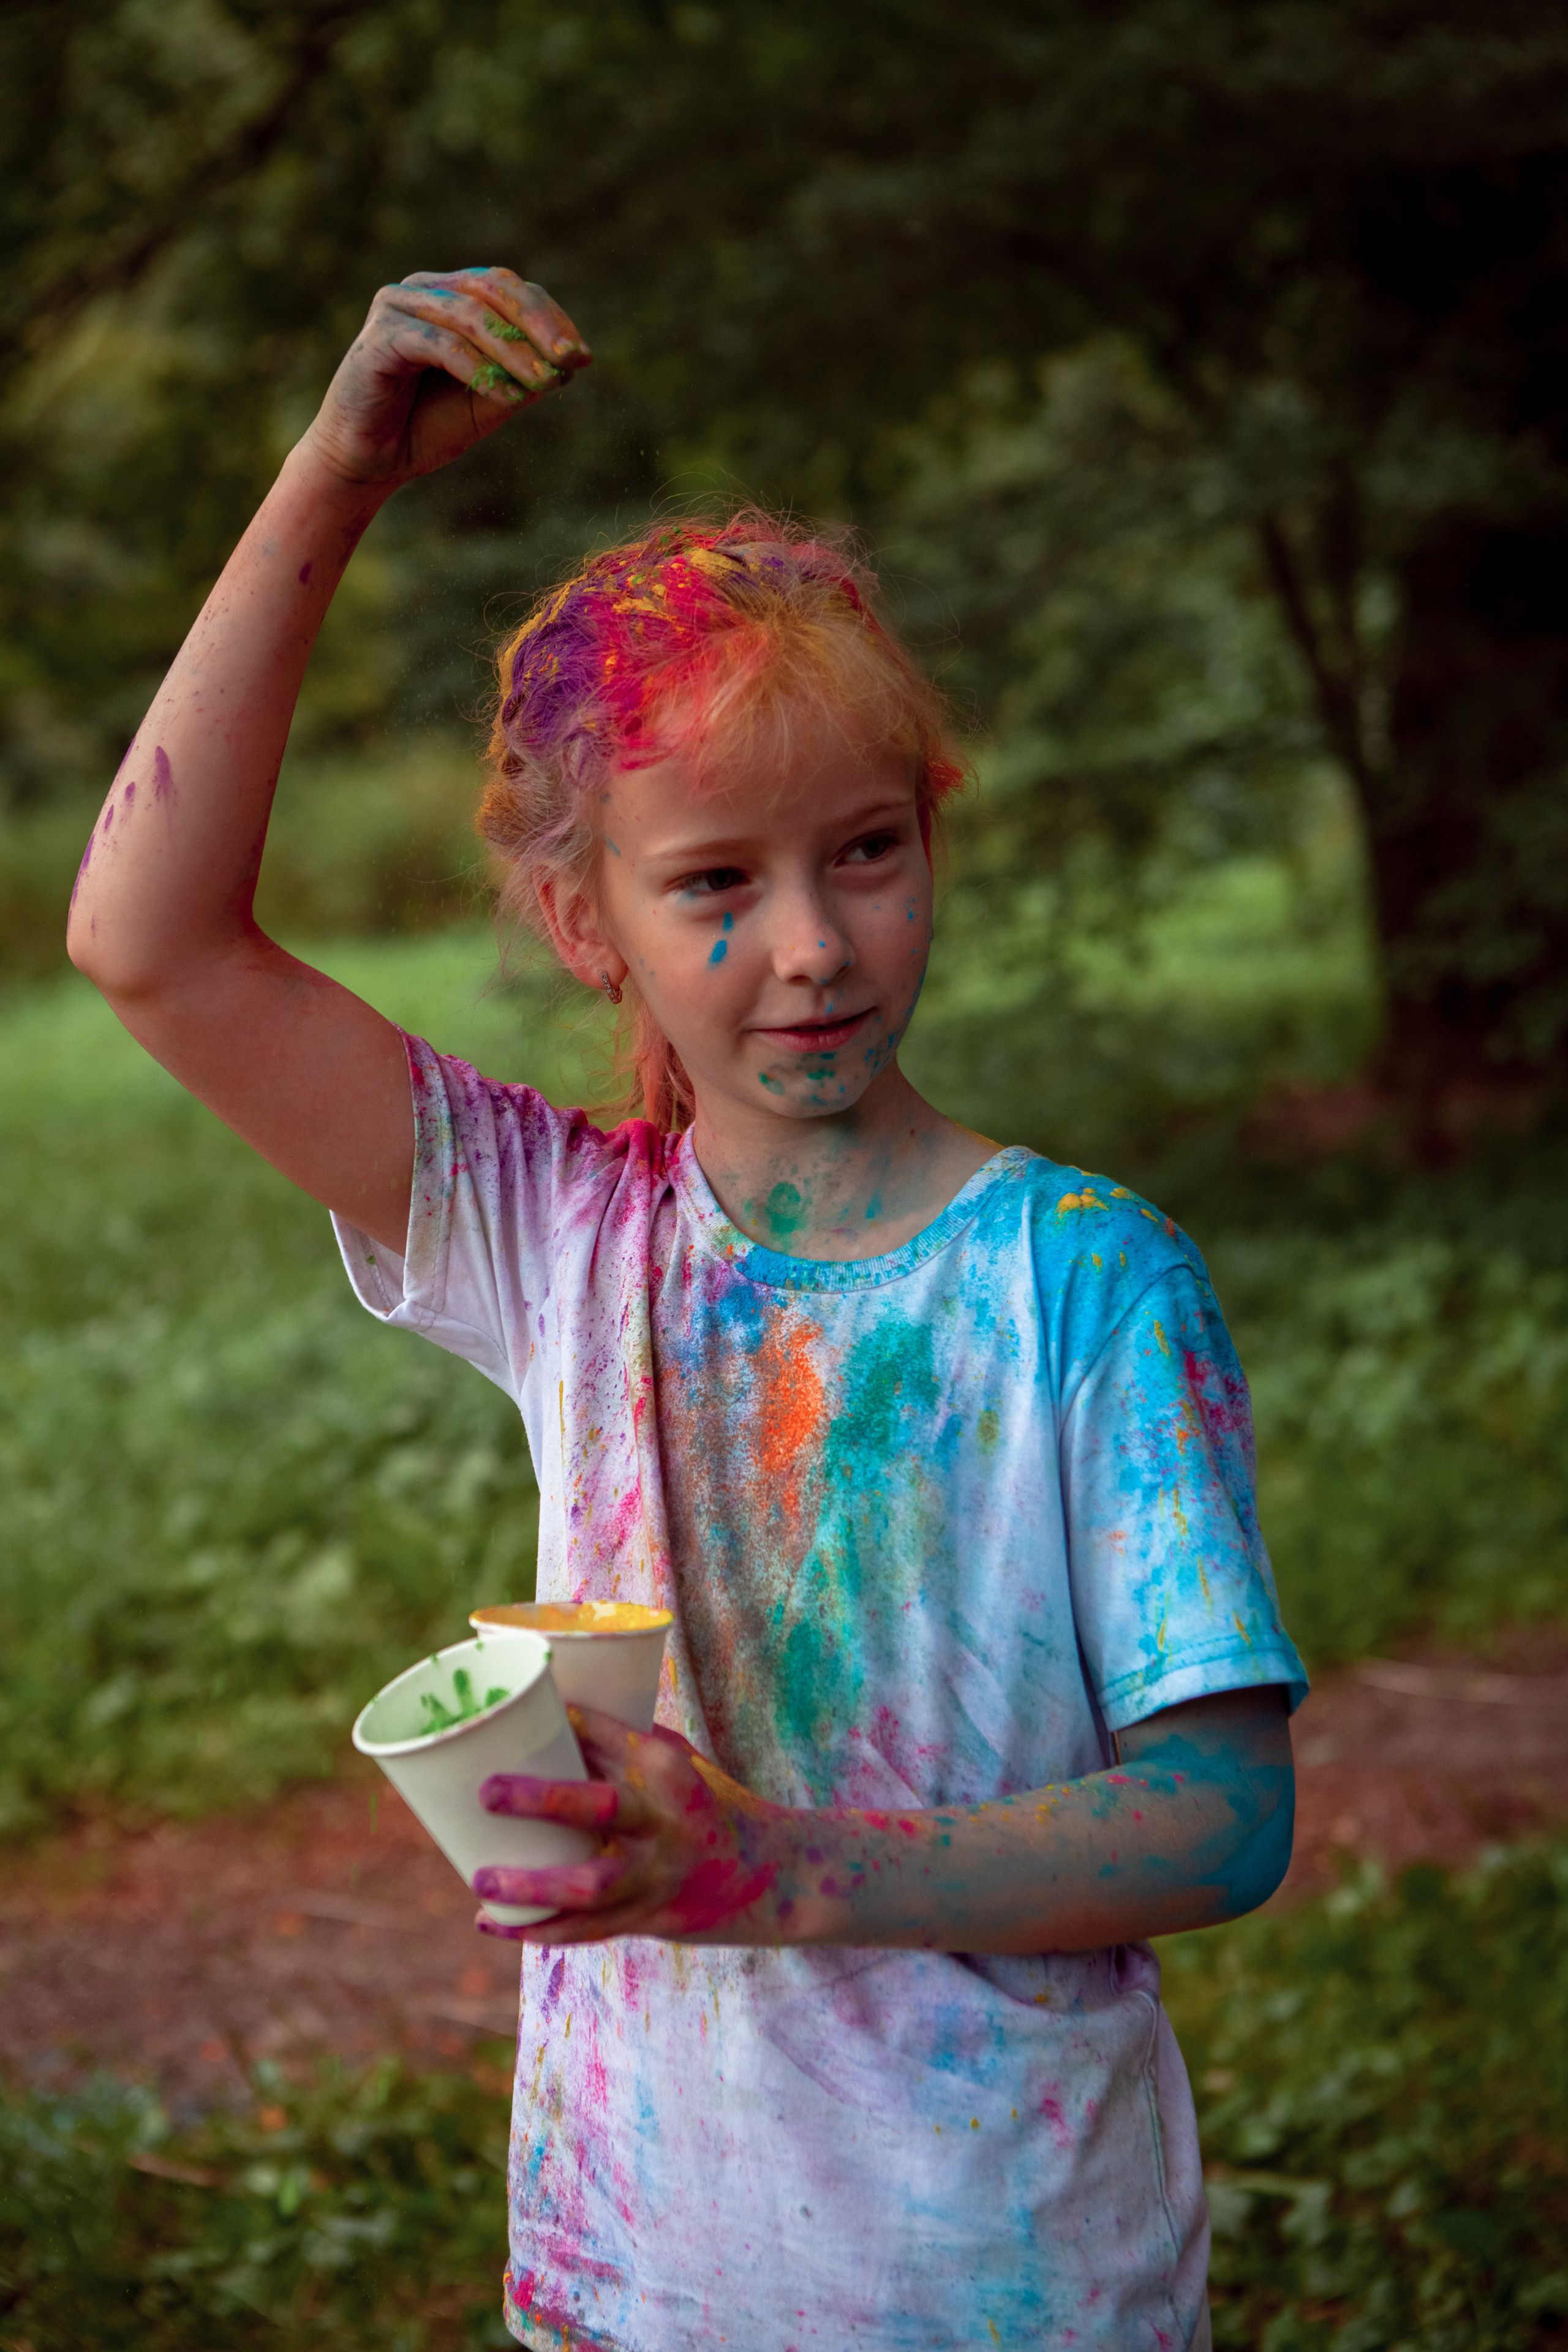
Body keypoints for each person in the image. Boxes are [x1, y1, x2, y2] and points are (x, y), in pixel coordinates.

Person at [68, 265, 1306, 2352]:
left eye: (870, 851)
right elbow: (149, 938)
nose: (814, 943)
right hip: (638, 2282)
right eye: (716, 884)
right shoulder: (559, 1233)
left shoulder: (1083, 1274)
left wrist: (776, 1870)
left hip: (1007, 2286)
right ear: (588, 920)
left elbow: (1224, 1811)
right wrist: (339, 469)